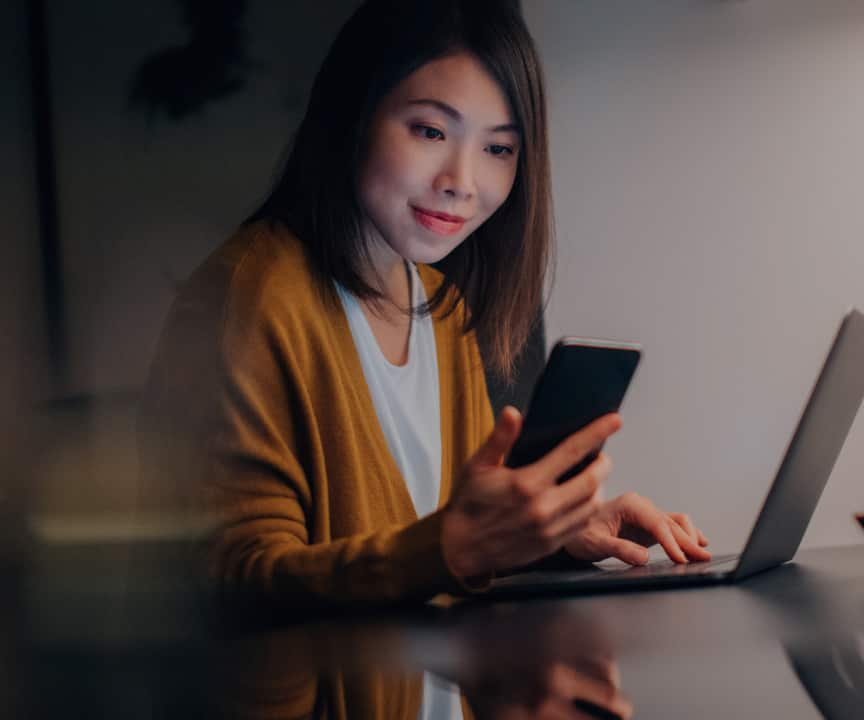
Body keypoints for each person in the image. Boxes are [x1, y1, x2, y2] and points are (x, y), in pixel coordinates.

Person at [139, 0, 710, 610]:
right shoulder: (252, 298)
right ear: (350, 115)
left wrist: (553, 540)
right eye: (431, 131)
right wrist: (456, 550)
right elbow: (233, 582)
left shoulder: (443, 312)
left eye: (498, 149)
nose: (462, 180)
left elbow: (435, 545)